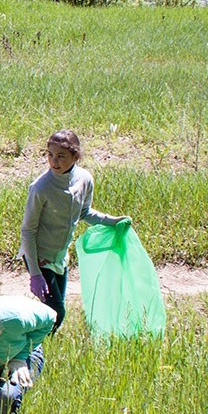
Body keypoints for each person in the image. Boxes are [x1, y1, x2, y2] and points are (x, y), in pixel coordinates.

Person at [19, 129, 130, 332]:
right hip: (39, 255)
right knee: (56, 313)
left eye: (61, 156)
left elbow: (84, 212)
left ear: (75, 156)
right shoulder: (40, 188)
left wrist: (111, 221)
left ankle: (36, 341)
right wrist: (35, 273)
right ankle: (32, 347)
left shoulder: (84, 179)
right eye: (50, 155)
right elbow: (27, 230)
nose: (54, 161)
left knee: (53, 311)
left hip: (60, 255)